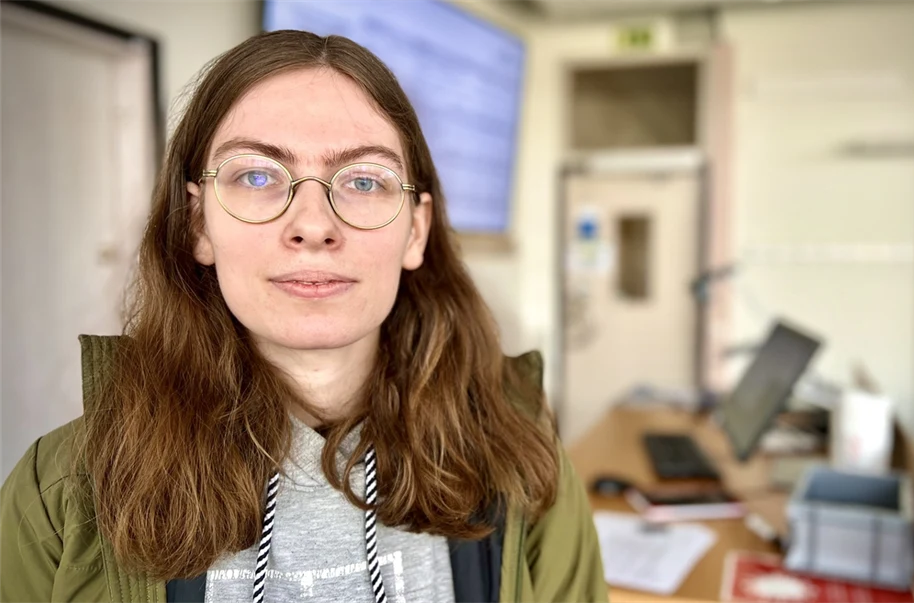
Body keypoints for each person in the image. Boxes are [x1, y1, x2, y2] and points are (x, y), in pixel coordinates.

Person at [0, 30, 607, 603]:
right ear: (198, 225)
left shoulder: (521, 455)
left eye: (365, 181)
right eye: (258, 175)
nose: (314, 225)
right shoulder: (59, 492)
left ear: (415, 231)